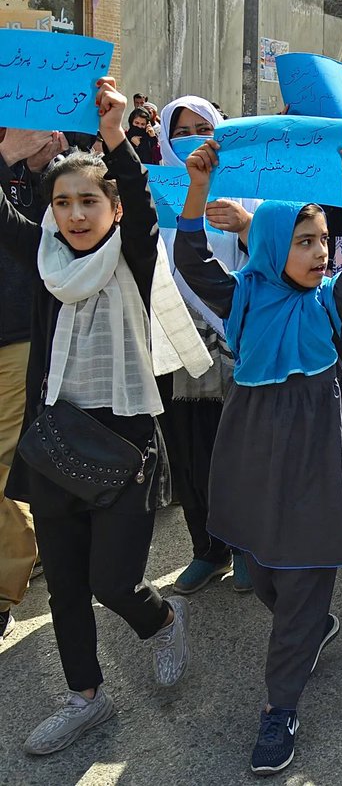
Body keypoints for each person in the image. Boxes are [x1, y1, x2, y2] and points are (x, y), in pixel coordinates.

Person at [6, 78, 211, 756]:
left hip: (124, 443)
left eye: (88, 200)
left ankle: (160, 623)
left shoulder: (133, 253)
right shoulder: (44, 262)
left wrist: (118, 134)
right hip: (57, 441)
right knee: (64, 584)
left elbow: (145, 203)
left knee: (111, 581)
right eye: (62, 202)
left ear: (114, 206)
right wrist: (10, 150)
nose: (74, 213)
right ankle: (84, 698)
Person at [174, 136, 342, 776]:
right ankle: (312, 623)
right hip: (253, 451)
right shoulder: (242, 297)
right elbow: (188, 255)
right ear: (270, 246)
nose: (320, 253)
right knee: (261, 572)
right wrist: (200, 186)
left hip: (318, 456)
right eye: (304, 242)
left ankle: (280, 708)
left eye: (322, 241)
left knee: (300, 573)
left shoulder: (331, 303)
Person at [157, 95, 257, 595]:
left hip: (230, 344)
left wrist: (244, 225)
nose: (193, 137)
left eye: (203, 127)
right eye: (182, 129)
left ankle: (244, 548)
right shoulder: (154, 190)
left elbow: (268, 258)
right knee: (189, 455)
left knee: (232, 454)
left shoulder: (246, 191)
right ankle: (207, 550)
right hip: (172, 347)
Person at [0, 127, 62, 640]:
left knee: (3, 465)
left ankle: (2, 590)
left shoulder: (34, 146)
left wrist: (42, 169)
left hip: (15, 333)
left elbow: (50, 241)